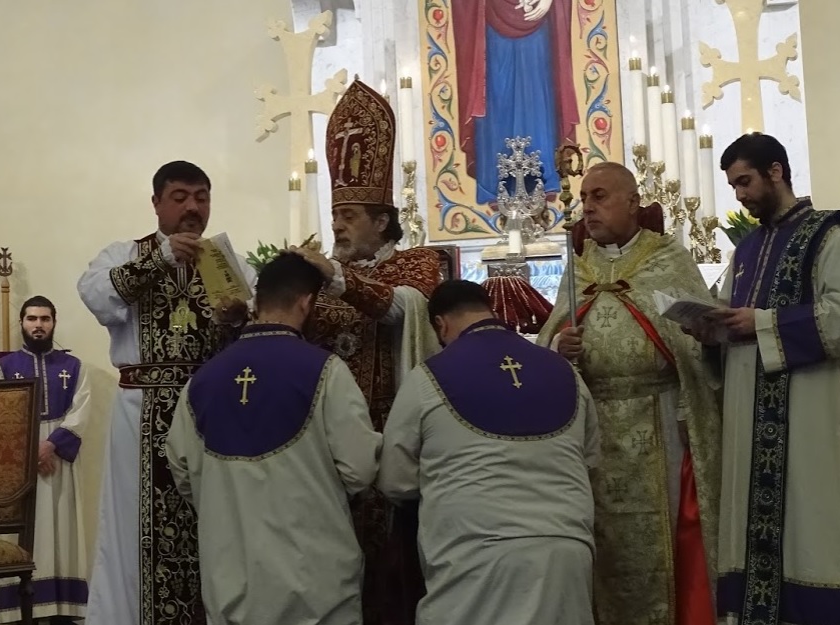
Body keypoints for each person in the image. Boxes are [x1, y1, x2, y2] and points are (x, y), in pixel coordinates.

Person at [686, 133, 840, 625]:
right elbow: (732, 316)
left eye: (745, 182)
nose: (740, 195)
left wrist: (760, 322)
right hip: (751, 424)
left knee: (814, 525)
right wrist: (710, 332)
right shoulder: (747, 249)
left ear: (776, 171)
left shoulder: (827, 234)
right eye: (733, 186)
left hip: (811, 421)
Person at [536, 161, 721, 625]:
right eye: (584, 199)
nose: (588, 207)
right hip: (593, 429)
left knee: (669, 535)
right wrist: (559, 347)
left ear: (633, 202)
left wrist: (688, 402)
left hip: (659, 419)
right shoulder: (579, 267)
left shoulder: (666, 259)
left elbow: (697, 344)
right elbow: (549, 340)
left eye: (599, 196)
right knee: (603, 542)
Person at [77, 161, 256, 625]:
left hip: (210, 412)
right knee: (134, 525)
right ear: (156, 203)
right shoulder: (124, 253)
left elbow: (259, 323)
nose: (193, 207)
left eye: (202, 197)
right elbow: (95, 295)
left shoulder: (228, 264)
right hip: (141, 412)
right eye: (180, 197)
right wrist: (158, 259)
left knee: (214, 523)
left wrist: (239, 318)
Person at [289, 79, 441, 625]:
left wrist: (336, 277)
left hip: (392, 438)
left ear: (381, 221)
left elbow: (403, 307)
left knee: (392, 576)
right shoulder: (322, 275)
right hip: (326, 446)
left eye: (349, 215)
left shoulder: (418, 263)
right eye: (335, 214)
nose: (336, 224)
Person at [166, 252, 381, 625]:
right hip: (314, 582)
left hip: (230, 578)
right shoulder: (327, 371)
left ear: (258, 301)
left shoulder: (202, 380)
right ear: (307, 303)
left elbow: (182, 469)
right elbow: (359, 469)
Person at [378, 280, 599, 625]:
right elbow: (589, 459)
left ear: (440, 325)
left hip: (474, 553)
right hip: (565, 548)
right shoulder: (566, 372)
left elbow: (396, 480)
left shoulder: (427, 377)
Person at [0, 296, 92, 625]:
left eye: (45, 319)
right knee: (25, 537)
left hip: (60, 463)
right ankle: (19, 612)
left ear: (54, 323)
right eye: (32, 318)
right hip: (20, 468)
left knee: (63, 533)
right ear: (22, 322)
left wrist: (52, 445)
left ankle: (62, 610)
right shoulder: (2, 367)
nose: (38, 325)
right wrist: (31, 450)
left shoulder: (74, 367)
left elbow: (81, 411)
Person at [451, 0, 578, 203]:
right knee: (495, 96)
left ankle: (543, 179)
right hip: (491, 18)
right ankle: (494, 183)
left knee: (537, 94)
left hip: (537, 17)